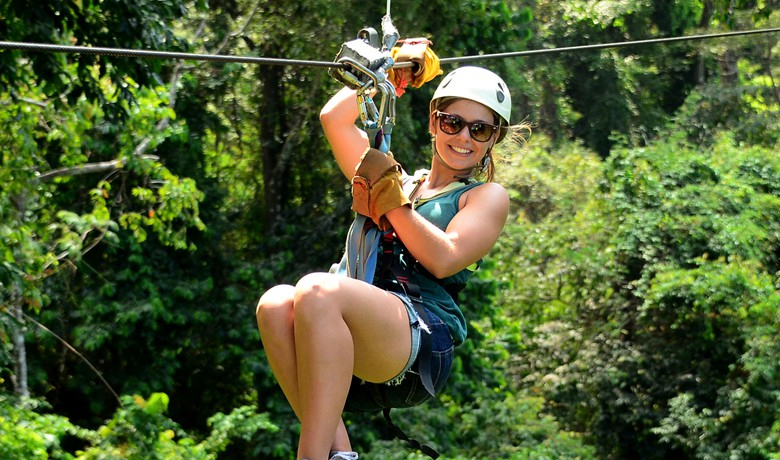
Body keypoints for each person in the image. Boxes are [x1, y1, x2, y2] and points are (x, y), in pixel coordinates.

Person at [255, 66, 524, 460]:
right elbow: (334, 118)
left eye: (479, 130)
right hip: (349, 347)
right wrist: (393, 74)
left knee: (316, 289)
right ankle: (340, 454)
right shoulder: (398, 181)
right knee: (275, 304)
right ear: (435, 122)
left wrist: (391, 199)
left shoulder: (484, 197)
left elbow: (444, 257)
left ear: (493, 138)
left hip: (420, 342)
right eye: (453, 122)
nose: (464, 137)